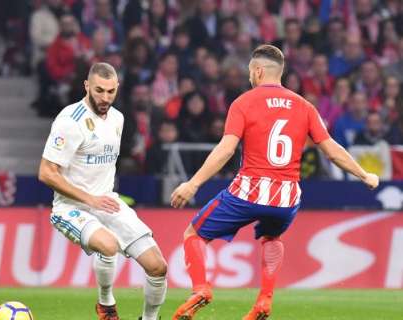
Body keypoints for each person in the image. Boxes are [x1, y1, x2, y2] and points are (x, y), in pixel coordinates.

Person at [170, 44, 379, 320]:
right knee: (272, 236)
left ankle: (200, 289)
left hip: (249, 192)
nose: (249, 77)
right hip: (287, 200)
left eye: (249, 72)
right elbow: (331, 150)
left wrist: (192, 184)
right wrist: (364, 175)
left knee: (194, 234)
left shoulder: (243, 102)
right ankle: (264, 300)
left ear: (257, 71)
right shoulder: (305, 106)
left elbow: (226, 149)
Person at [38, 62, 168, 320]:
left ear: (117, 88)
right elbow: (46, 173)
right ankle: (106, 304)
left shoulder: (118, 118)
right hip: (71, 207)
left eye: (111, 91)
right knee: (108, 245)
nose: (105, 97)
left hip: (107, 202)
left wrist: (100, 199)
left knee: (158, 267)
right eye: (99, 90)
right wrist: (89, 199)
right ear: (86, 86)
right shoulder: (69, 121)